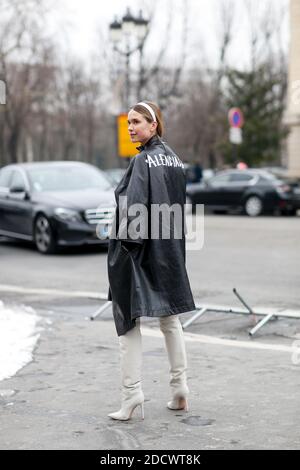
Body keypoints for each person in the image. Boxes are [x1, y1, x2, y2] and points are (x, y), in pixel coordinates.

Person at [107, 101, 196, 421]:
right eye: (129, 122)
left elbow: (132, 216)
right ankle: (180, 388)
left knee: (127, 319)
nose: (130, 127)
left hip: (139, 252)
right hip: (170, 250)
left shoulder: (143, 160)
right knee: (170, 318)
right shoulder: (174, 160)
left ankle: (131, 395)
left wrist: (121, 254)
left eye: (137, 122)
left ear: (153, 125)